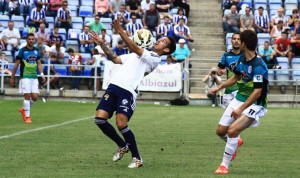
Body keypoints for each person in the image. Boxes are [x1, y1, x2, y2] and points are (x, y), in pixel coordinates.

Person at [89, 17, 176, 168]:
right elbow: (115, 59)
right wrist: (102, 44)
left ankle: (137, 158)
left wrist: (120, 31)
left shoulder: (154, 59)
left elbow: (136, 48)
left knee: (121, 124)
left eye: (162, 41)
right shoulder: (136, 55)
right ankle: (123, 146)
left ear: (166, 49)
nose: (158, 41)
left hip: (127, 91)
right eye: (160, 39)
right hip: (113, 87)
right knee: (99, 119)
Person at [211, 30, 268, 174]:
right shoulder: (242, 59)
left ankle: (224, 165)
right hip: (239, 98)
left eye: (239, 40)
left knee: (232, 130)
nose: (236, 42)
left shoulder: (258, 65)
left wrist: (240, 108)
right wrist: (220, 87)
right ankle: (236, 142)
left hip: (256, 103)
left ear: (243, 43)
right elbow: (236, 77)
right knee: (220, 131)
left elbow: (257, 92)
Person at [9, 33, 46, 124]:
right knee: (27, 96)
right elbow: (16, 64)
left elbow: (39, 63)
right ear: (27, 40)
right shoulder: (22, 51)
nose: (31, 40)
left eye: (33, 39)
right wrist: (12, 77)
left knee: (35, 97)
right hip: (25, 76)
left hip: (34, 77)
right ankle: (27, 117)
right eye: (29, 39)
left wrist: (42, 74)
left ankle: (24, 109)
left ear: (34, 40)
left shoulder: (37, 50)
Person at [217, 32, 242, 108]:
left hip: (241, 90)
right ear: (231, 41)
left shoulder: (246, 55)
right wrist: (220, 72)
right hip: (229, 90)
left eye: (238, 39)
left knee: (240, 116)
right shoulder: (226, 55)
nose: (236, 41)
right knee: (229, 117)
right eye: (234, 39)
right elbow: (219, 71)